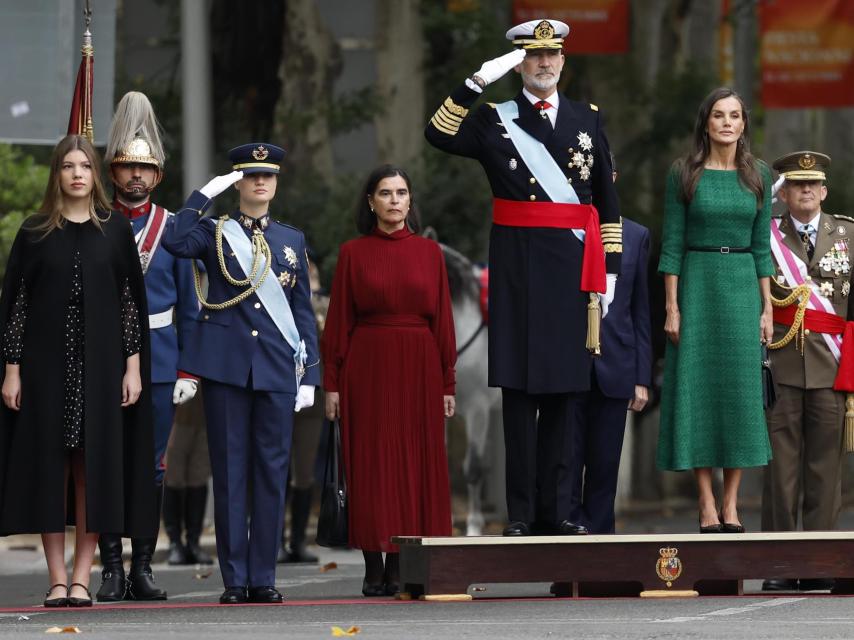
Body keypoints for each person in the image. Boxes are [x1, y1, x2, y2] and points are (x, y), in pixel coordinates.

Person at [425, 18, 622, 537]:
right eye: (533, 56)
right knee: (518, 395)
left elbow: (607, 202)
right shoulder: (495, 119)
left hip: (574, 274)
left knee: (565, 394)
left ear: (563, 60)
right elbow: (437, 133)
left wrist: (614, 274)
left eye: (551, 55)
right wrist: (475, 83)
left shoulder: (587, 119)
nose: (544, 63)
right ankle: (518, 513)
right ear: (519, 62)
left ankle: (559, 509)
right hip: (516, 270)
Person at [161, 143, 320, 605]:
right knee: (230, 474)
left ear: (276, 182)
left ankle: (263, 576)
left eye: (267, 176)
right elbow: (174, 240)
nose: (259, 183)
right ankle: (234, 579)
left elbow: (301, 312)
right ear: (237, 181)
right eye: (250, 176)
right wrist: (202, 196)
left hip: (274, 366)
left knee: (272, 473)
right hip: (227, 367)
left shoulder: (291, 239)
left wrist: (309, 375)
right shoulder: (212, 231)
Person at [0, 134, 154, 607]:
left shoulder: (114, 232)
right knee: (51, 471)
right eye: (68, 166)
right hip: (45, 371)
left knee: (93, 471)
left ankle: (83, 577)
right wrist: (12, 370)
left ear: (95, 174)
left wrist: (133, 369)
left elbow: (130, 304)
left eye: (84, 165)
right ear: (57, 174)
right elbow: (17, 307)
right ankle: (57, 578)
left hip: (102, 370)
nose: (76, 174)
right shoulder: (34, 231)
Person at [322, 165, 456, 597]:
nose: (395, 200)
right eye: (385, 193)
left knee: (414, 462)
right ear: (371, 202)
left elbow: (445, 325)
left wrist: (447, 383)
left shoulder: (430, 254)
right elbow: (338, 322)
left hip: (419, 367)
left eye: (401, 193)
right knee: (371, 464)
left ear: (410, 201)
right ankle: (372, 563)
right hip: (367, 367)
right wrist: (332, 385)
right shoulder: (352, 253)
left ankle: (402, 561)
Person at [96, 91, 200, 602]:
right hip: (104, 359)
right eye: (126, 167)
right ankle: (110, 567)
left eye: (145, 169)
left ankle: (142, 565)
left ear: (158, 176)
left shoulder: (174, 229)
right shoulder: (96, 223)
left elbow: (190, 306)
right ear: (113, 172)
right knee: (107, 462)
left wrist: (188, 370)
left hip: (159, 358)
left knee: (152, 464)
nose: (135, 176)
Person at [657, 87, 774, 533]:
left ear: (744, 125)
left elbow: (762, 247)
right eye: (719, 115)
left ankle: (732, 504)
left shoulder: (758, 175)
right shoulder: (683, 173)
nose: (727, 122)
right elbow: (671, 244)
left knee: (740, 396)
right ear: (706, 123)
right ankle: (705, 502)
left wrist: (766, 307)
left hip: (742, 286)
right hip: (698, 283)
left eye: (735, 116)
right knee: (696, 392)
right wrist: (672, 306)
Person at [761, 151, 854, 592]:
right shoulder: (767, 234)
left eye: (812, 184)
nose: (806, 191)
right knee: (781, 471)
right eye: (796, 184)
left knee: (825, 470)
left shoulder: (848, 235)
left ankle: (820, 561)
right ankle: (780, 564)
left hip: (832, 368)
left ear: (824, 190)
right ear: (786, 192)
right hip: (779, 364)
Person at [570, 158, 652, 534]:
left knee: (604, 467)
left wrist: (641, 377)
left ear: (614, 178)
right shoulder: (562, 230)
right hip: (567, 366)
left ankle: (600, 554)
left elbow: (640, 313)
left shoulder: (636, 235)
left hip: (617, 366)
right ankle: (565, 550)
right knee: (566, 465)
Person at [277, 259, 328, 565]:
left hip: (312, 402)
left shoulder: (323, 304)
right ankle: (275, 540)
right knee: (276, 469)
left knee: (304, 472)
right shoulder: (277, 304)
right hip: (280, 392)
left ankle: (298, 540)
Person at [163, 388, 213, 566]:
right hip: (177, 413)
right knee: (173, 476)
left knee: (198, 476)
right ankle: (175, 542)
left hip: (205, 414)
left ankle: (194, 542)